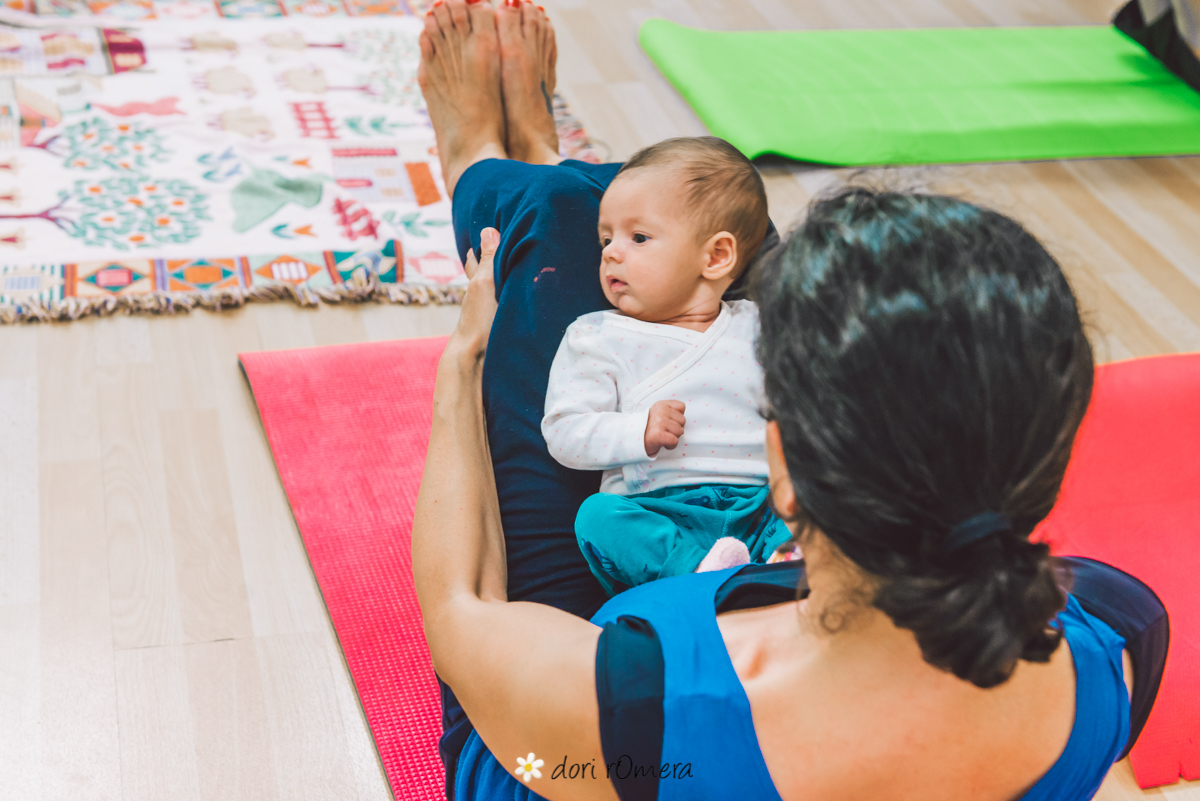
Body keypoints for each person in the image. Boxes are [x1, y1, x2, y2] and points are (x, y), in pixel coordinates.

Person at [411, 2, 1169, 801]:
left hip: (573, 760)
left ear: (783, 467)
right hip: (664, 697)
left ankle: (494, 164)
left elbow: (457, 612)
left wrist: (461, 365)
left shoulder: (647, 698)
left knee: (559, 249)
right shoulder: (1115, 635)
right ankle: (545, 162)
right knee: (723, 236)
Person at [540, 136, 791, 594]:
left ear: (715, 257)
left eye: (638, 238)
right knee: (598, 518)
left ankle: (783, 563)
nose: (611, 252)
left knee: (820, 499)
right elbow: (564, 432)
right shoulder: (597, 336)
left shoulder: (760, 324)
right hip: (660, 511)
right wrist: (638, 431)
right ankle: (699, 576)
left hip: (763, 503)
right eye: (605, 238)